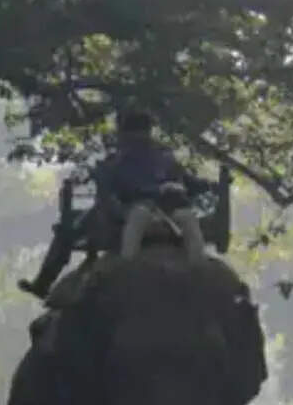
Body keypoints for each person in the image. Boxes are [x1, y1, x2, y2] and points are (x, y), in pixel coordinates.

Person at [18, 109, 214, 299]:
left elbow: (106, 196)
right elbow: (192, 184)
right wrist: (212, 186)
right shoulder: (165, 158)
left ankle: (42, 284)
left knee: (66, 232)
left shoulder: (116, 160)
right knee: (187, 226)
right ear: (149, 131)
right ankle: (201, 272)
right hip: (170, 213)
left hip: (131, 213)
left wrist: (116, 211)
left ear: (123, 133)